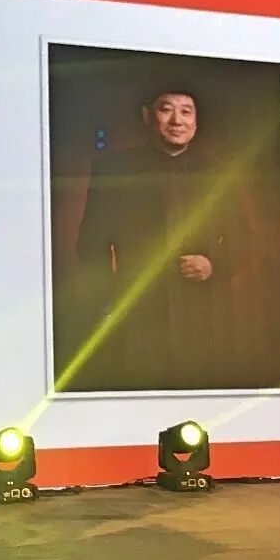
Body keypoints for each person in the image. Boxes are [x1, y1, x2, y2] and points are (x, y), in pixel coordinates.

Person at [75, 90, 233, 389]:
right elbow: (91, 244)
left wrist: (214, 265)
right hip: (137, 310)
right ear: (147, 115)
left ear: (196, 121)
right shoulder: (114, 169)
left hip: (202, 310)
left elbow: (244, 236)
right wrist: (110, 299)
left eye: (186, 111)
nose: (177, 121)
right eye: (166, 109)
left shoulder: (217, 172)